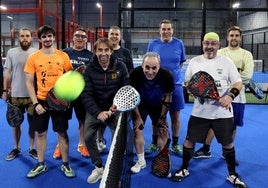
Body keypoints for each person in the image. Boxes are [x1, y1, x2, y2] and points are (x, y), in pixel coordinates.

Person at [171, 32, 247, 188]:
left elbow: (238, 83)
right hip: (200, 113)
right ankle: (184, 169)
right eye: (207, 43)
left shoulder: (226, 62)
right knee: (189, 141)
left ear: (218, 45)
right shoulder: (194, 62)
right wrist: (191, 90)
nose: (209, 46)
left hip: (223, 114)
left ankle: (232, 175)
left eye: (213, 43)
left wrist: (230, 97)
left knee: (227, 144)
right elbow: (188, 83)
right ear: (202, 44)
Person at [193, 26, 254, 166]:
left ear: (240, 37)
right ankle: (206, 149)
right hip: (216, 98)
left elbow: (246, 76)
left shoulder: (247, 55)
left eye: (236, 35)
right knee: (212, 124)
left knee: (232, 126)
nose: (234, 38)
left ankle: (226, 152)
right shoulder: (219, 52)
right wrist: (231, 76)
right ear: (227, 38)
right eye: (231, 35)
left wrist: (228, 82)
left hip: (237, 97)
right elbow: (209, 75)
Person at [24, 25, 75, 178]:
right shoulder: (33, 58)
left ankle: (65, 164)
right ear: (39, 39)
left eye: (50, 36)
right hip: (41, 101)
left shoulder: (63, 56)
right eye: (44, 37)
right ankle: (41, 164)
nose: (47, 39)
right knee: (41, 133)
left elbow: (71, 76)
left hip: (60, 101)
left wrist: (67, 96)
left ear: (54, 37)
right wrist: (36, 103)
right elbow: (28, 82)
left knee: (62, 133)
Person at [81, 37, 129, 184]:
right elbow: (86, 94)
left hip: (115, 109)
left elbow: (125, 90)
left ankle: (115, 173)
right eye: (100, 50)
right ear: (95, 51)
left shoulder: (121, 67)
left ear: (111, 50)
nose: (103, 53)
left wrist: (114, 108)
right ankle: (99, 167)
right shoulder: (88, 70)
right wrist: (98, 113)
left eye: (106, 50)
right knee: (88, 137)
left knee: (119, 142)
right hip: (95, 110)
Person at [146, 19, 186, 156]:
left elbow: (180, 63)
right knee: (155, 116)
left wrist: (171, 77)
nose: (166, 31)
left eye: (168, 29)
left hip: (176, 85)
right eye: (164, 29)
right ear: (160, 30)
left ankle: (175, 144)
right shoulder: (153, 44)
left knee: (175, 116)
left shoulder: (179, 43)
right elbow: (148, 62)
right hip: (156, 86)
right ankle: (154, 142)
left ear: (172, 30)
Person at [129, 52, 174, 174]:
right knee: (137, 130)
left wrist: (162, 118)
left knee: (163, 131)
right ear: (142, 65)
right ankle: (141, 161)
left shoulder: (167, 75)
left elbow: (168, 98)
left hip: (158, 105)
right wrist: (137, 117)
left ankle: (162, 160)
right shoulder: (134, 74)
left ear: (159, 67)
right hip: (140, 104)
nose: (150, 71)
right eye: (147, 67)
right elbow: (131, 97)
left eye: (154, 68)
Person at [52, 27, 93, 159]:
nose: (80, 38)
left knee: (82, 120)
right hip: (66, 94)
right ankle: (59, 145)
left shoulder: (90, 55)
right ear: (73, 38)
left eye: (83, 36)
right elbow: (58, 71)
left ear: (86, 40)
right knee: (62, 121)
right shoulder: (64, 53)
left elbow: (92, 75)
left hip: (82, 94)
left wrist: (84, 72)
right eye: (77, 36)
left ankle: (81, 144)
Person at [96, 25, 134, 153]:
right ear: (108, 35)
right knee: (101, 121)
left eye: (117, 34)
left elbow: (130, 72)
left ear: (120, 37)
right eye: (112, 34)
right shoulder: (101, 52)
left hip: (120, 96)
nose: (114, 36)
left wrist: (127, 91)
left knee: (120, 122)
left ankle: (118, 145)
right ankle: (100, 140)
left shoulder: (125, 53)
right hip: (103, 94)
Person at [2, 28, 38, 161]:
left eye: (27, 36)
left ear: (31, 37)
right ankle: (16, 147)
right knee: (15, 123)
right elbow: (7, 72)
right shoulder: (11, 52)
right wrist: (5, 90)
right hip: (15, 94)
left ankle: (32, 148)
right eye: (22, 36)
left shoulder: (36, 53)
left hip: (32, 95)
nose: (25, 38)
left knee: (33, 123)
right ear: (18, 37)